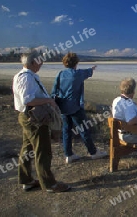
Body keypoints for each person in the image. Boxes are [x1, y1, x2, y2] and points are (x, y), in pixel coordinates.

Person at [13, 50, 70, 193]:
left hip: (28, 117)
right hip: (34, 119)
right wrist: (49, 101)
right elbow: (28, 100)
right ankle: (49, 184)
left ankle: (27, 180)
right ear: (33, 62)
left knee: (27, 149)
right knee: (42, 150)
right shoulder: (26, 78)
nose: (42, 63)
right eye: (40, 60)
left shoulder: (25, 76)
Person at [51, 52, 107, 164]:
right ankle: (93, 152)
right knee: (83, 129)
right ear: (76, 62)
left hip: (63, 106)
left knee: (66, 131)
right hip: (75, 107)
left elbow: (54, 90)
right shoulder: (77, 74)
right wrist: (92, 69)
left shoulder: (60, 74)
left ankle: (68, 155)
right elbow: (87, 72)